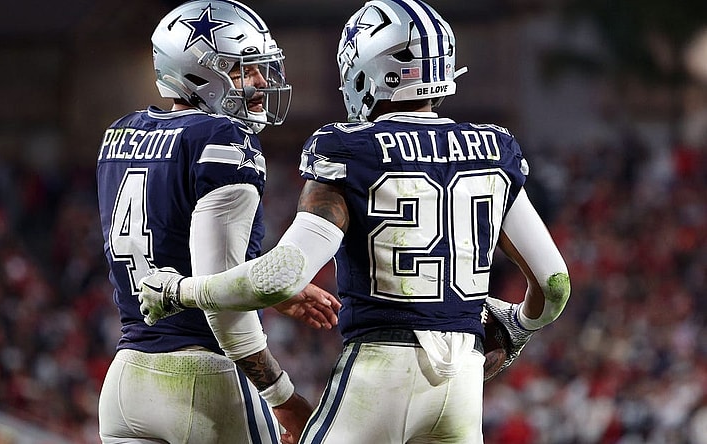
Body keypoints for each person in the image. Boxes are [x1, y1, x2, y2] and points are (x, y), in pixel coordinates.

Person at [138, 0, 571, 442]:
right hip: (461, 382)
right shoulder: (493, 148)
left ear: (367, 71)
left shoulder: (347, 149)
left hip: (381, 371)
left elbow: (283, 274)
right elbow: (554, 284)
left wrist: (180, 290)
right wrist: (519, 324)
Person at [95, 1, 340, 443]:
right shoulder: (223, 138)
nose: (261, 82)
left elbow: (177, 254)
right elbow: (218, 304)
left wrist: (264, 291)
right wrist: (284, 397)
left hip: (126, 381)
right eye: (243, 69)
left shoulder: (121, 133)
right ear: (196, 72)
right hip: (203, 381)